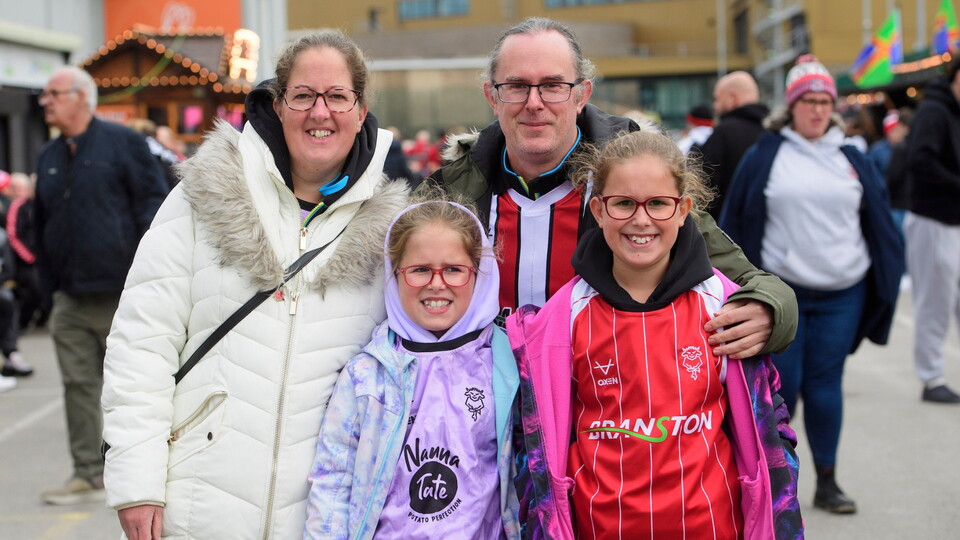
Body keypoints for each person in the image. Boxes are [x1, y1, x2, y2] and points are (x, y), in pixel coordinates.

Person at [100, 31, 410, 539]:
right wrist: (137, 483)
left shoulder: (392, 230)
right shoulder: (202, 198)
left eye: (337, 96)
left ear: (360, 110)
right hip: (197, 503)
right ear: (278, 104)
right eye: (303, 96)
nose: (320, 112)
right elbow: (141, 345)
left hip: (324, 514)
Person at [428, 17, 798, 361]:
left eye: (553, 85)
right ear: (492, 97)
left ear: (582, 94)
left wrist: (768, 311)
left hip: (602, 411)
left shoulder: (633, 187)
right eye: (517, 86)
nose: (534, 103)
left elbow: (754, 282)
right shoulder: (448, 190)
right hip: (483, 410)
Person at [507, 128, 802, 539]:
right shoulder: (563, 318)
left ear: (684, 210)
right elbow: (540, 440)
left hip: (712, 527)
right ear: (598, 210)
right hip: (600, 527)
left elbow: (770, 424)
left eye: (659, 204)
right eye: (623, 203)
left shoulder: (723, 305)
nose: (641, 219)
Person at [720, 55, 904, 514]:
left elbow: (878, 219)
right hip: (786, 299)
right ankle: (775, 482)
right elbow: (736, 221)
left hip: (845, 292)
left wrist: (888, 274)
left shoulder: (851, 155)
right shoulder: (765, 153)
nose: (818, 110)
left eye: (825, 101)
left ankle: (827, 480)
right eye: (809, 101)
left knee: (826, 383)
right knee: (786, 387)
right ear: (792, 106)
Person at [305, 198, 519, 539]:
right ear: (395, 275)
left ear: (479, 274)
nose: (436, 284)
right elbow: (334, 478)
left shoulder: (506, 365)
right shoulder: (368, 375)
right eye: (420, 270)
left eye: (453, 269)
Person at [34, 66, 169, 505]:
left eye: (53, 94)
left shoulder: (123, 144)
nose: (45, 102)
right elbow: (41, 223)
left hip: (122, 293)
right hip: (69, 296)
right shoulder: (49, 156)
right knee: (78, 386)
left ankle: (149, 472)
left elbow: (155, 204)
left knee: (137, 386)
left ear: (81, 98)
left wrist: (148, 272)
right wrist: (47, 286)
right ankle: (87, 472)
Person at [903, 55, 960, 404]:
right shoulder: (934, 110)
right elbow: (920, 161)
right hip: (932, 219)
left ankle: (934, 374)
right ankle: (931, 376)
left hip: (954, 220)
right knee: (934, 303)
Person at [691, 70, 770, 219]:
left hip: (729, 230)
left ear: (733, 98)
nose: (715, 106)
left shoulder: (723, 134)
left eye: (717, 99)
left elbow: (703, 188)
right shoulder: (774, 133)